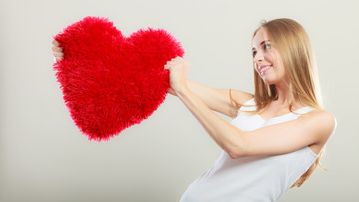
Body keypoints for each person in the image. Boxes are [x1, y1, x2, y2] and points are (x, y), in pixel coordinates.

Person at [52, 18, 336, 202]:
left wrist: (184, 90)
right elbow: (161, 80)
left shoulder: (319, 121)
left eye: (266, 47)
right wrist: (79, 55)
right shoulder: (248, 104)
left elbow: (239, 145)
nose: (257, 58)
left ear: (294, 48)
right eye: (253, 52)